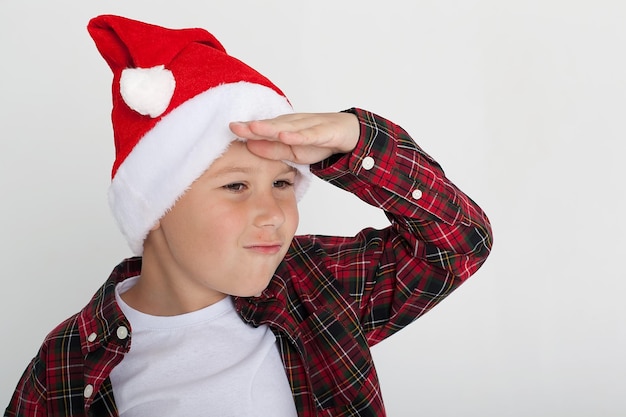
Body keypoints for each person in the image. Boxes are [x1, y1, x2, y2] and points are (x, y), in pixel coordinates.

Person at [5, 14, 493, 417]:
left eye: (282, 183)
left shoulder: (315, 286)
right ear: (156, 207)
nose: (273, 214)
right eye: (236, 186)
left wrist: (357, 141)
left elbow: (459, 242)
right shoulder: (68, 366)